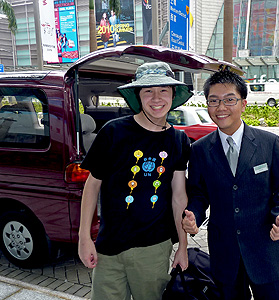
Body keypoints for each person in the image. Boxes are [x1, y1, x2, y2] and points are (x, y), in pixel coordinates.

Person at [78, 61, 193, 300]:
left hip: (154, 248)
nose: (156, 97)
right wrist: (84, 237)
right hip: (109, 246)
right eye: (148, 91)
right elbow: (92, 185)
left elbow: (179, 198)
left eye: (163, 90)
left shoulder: (178, 140)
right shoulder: (113, 132)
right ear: (138, 96)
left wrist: (182, 246)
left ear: (173, 95)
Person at [182, 70, 279, 300]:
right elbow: (198, 193)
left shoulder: (269, 143)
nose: (221, 107)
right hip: (225, 254)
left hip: (267, 252)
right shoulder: (200, 150)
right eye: (214, 101)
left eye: (229, 99)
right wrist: (193, 214)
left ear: (243, 104)